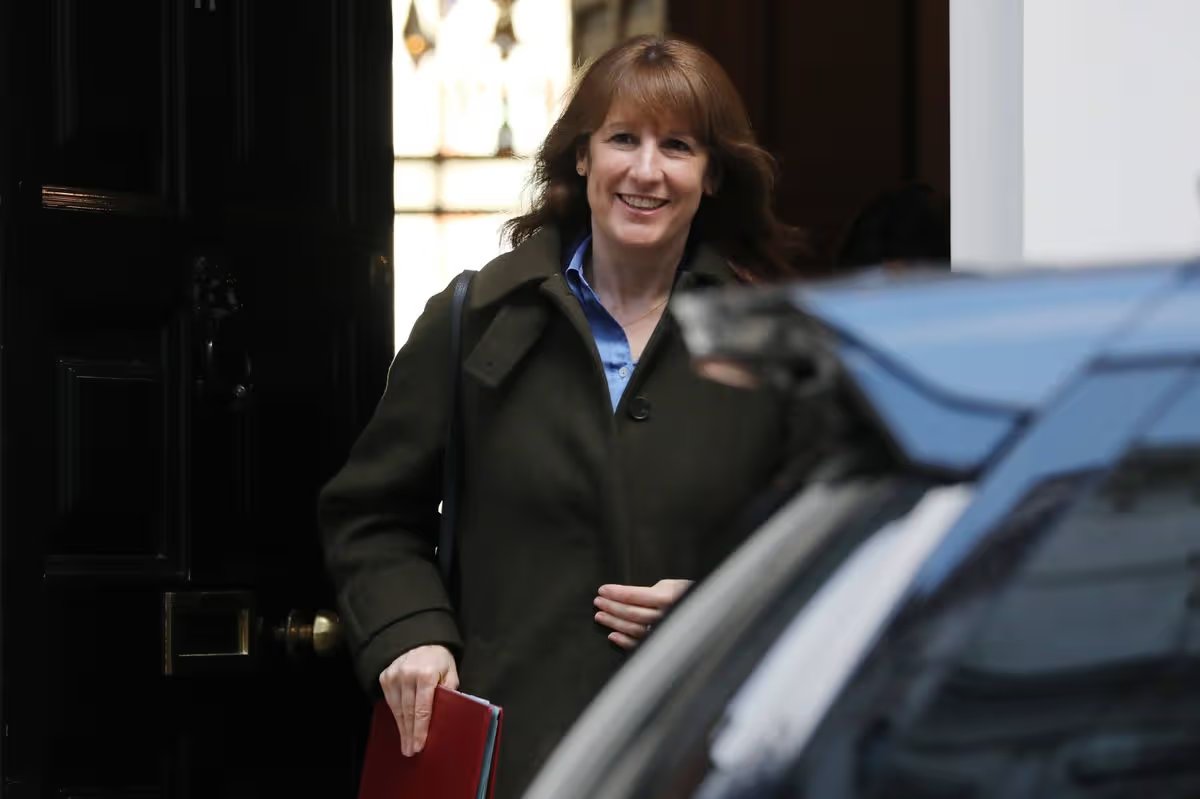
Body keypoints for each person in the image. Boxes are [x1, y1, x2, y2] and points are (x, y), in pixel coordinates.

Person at [319, 34, 808, 799]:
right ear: (582, 157)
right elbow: (371, 514)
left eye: (677, 146)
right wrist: (409, 630)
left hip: (701, 755)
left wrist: (719, 606)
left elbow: (827, 547)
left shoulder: (774, 344)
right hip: (512, 760)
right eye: (622, 139)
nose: (645, 170)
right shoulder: (471, 320)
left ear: (711, 175)